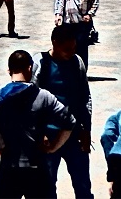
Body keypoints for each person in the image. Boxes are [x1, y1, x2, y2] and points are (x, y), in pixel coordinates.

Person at [0, 49, 77, 198]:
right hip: (38, 170)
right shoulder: (44, 96)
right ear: (30, 67)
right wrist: (53, 147)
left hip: (9, 170)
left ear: (9, 70)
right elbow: (69, 122)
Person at [34, 24, 94, 198]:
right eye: (67, 49)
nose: (71, 53)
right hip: (48, 135)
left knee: (83, 184)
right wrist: (39, 132)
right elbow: (31, 100)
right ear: (54, 43)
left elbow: (85, 97)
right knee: (46, 185)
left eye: (74, 48)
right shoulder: (41, 63)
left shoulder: (77, 62)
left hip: (74, 134)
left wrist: (86, 129)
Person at [53, 0, 99, 68]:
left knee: (81, 47)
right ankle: (68, 68)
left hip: (82, 23)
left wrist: (90, 14)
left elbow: (95, 1)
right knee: (67, 46)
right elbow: (60, 2)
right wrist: (58, 15)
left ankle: (81, 70)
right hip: (68, 22)